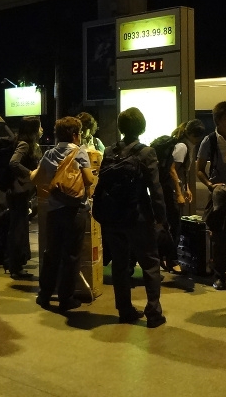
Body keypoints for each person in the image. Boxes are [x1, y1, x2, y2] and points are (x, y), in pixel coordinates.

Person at [101, 107, 167, 328]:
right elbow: (155, 189)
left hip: (112, 218)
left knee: (120, 264)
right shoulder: (146, 152)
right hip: (137, 217)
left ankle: (125, 309)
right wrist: (161, 217)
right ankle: (154, 312)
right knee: (149, 263)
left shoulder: (110, 151)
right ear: (142, 127)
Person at [32, 117, 94, 312]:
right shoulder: (79, 152)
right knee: (71, 255)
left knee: (52, 253)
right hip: (75, 210)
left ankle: (44, 295)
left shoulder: (50, 153)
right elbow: (89, 179)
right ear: (75, 135)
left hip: (54, 210)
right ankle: (66, 298)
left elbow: (38, 178)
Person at [196, 101, 226, 290]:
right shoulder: (210, 140)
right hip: (220, 195)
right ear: (217, 120)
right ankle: (220, 275)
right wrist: (210, 185)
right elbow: (199, 169)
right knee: (220, 237)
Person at [161, 119, 205, 274]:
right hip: (171, 190)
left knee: (173, 225)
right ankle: (171, 261)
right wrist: (179, 193)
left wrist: (186, 188)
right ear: (194, 135)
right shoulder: (182, 146)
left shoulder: (186, 145)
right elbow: (172, 170)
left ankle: (166, 259)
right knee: (174, 226)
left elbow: (182, 171)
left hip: (175, 189)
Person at [6, 116, 43, 280]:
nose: (42, 130)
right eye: (39, 127)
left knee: (19, 228)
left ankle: (16, 264)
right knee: (18, 229)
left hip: (20, 193)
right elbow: (13, 163)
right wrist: (30, 173)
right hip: (18, 193)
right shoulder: (24, 144)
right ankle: (15, 265)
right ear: (33, 130)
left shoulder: (26, 143)